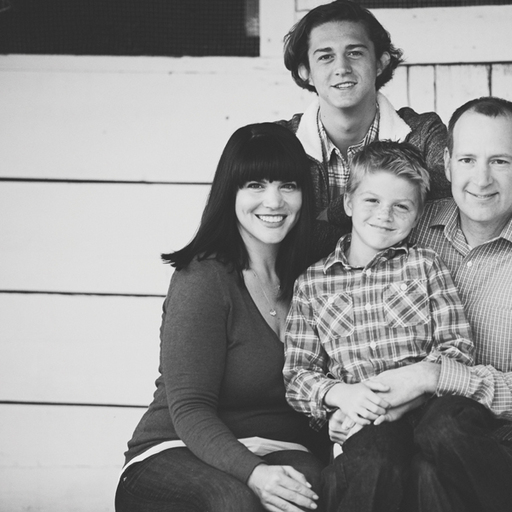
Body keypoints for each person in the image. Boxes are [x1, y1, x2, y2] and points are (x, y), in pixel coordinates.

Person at [329, 97, 512, 512]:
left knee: (444, 431)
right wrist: (355, 400)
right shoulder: (415, 225)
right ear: (447, 162)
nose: (481, 179)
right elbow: (361, 311)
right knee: (392, 465)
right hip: (406, 442)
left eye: (500, 162)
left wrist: (433, 376)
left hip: (510, 459)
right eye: (468, 159)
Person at [115, 123, 331, 512]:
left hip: (278, 450)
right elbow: (190, 408)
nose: (274, 201)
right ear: (229, 192)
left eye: (288, 185)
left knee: (312, 490)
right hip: (176, 451)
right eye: (255, 185)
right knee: (233, 501)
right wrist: (255, 474)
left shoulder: (313, 277)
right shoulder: (203, 278)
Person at [283, 140, 475, 512]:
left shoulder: (424, 265)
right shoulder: (313, 283)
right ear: (349, 203)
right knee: (373, 459)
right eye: (372, 201)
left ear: (417, 216)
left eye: (400, 206)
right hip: (366, 424)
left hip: (429, 409)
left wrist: (399, 400)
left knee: (430, 470)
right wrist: (342, 398)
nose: (384, 215)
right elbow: (298, 377)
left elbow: (458, 348)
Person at [278, 0, 451, 258]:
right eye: (325, 56)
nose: (342, 68)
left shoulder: (423, 133)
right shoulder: (279, 142)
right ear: (306, 72)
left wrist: (332, 214)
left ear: (380, 62)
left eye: (355, 53)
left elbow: (441, 214)